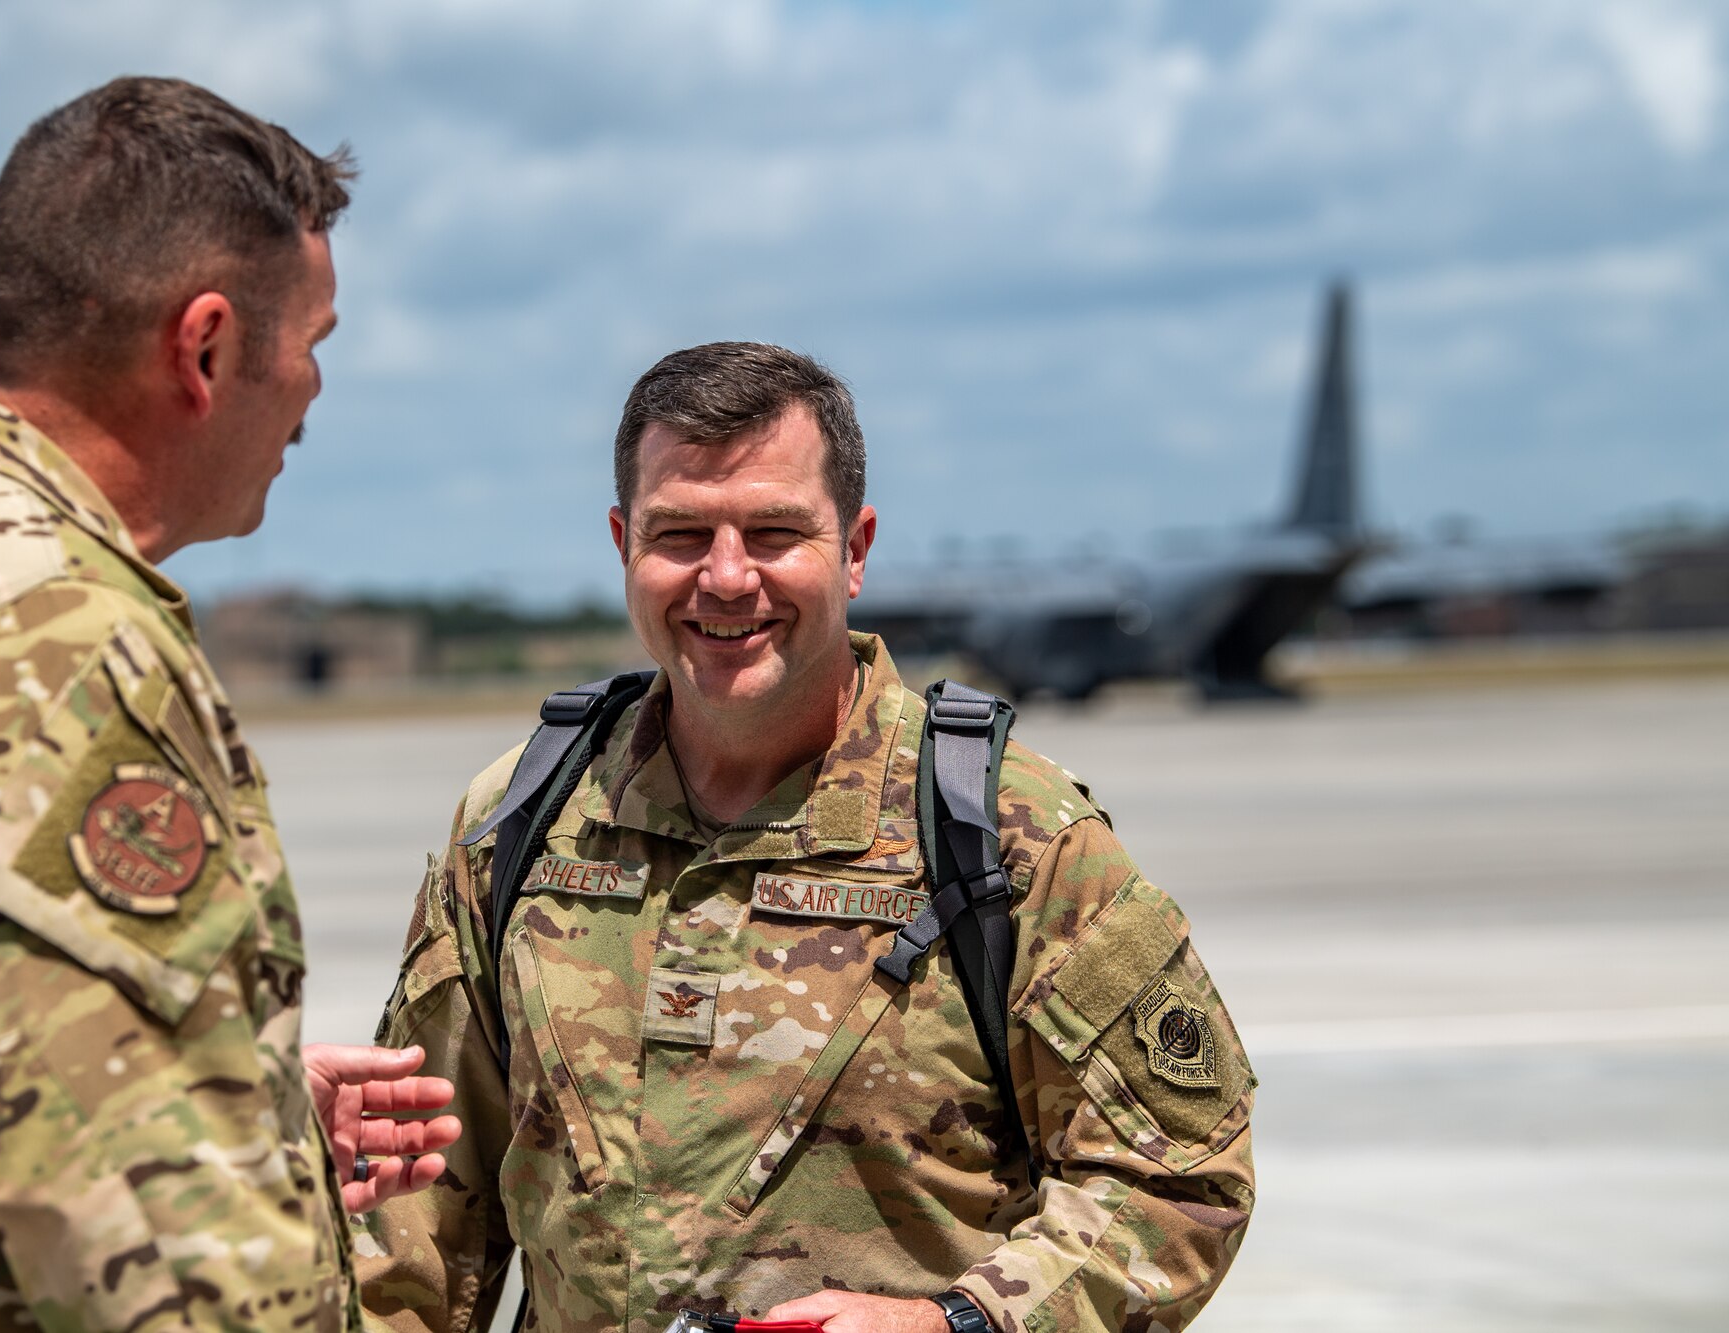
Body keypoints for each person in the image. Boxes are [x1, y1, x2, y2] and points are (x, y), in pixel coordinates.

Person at [0, 77, 459, 1331]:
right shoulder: (55, 639)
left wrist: (245, 1100)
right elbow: (153, 1258)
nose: (312, 392)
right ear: (209, 346)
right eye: (313, 344)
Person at [357, 343, 1255, 1333]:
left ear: (855, 548)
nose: (727, 577)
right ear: (623, 544)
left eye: (776, 531)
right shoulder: (521, 821)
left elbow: (1179, 1176)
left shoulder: (1005, 834)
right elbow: (416, 1208)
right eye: (681, 533)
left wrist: (958, 1323)